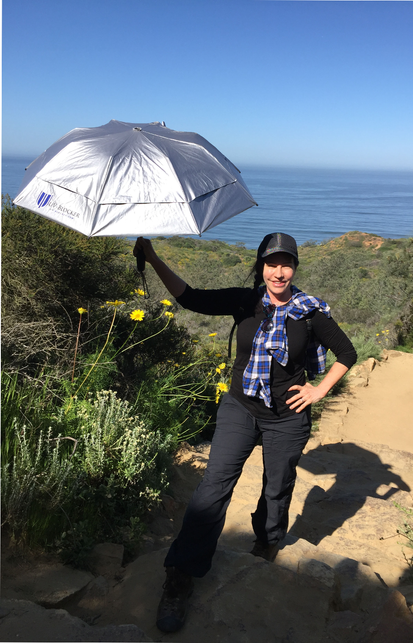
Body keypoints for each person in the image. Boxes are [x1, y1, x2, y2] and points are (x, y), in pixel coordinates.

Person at [133, 232, 357, 633]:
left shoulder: (309, 311)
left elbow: (347, 352)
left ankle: (265, 544)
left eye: (286, 263)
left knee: (277, 487)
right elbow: (191, 297)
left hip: (286, 417)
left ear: (295, 268)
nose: (279, 271)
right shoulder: (244, 300)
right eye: (271, 263)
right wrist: (151, 257)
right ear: (260, 267)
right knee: (214, 485)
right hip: (240, 407)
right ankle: (180, 576)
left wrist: (319, 390)